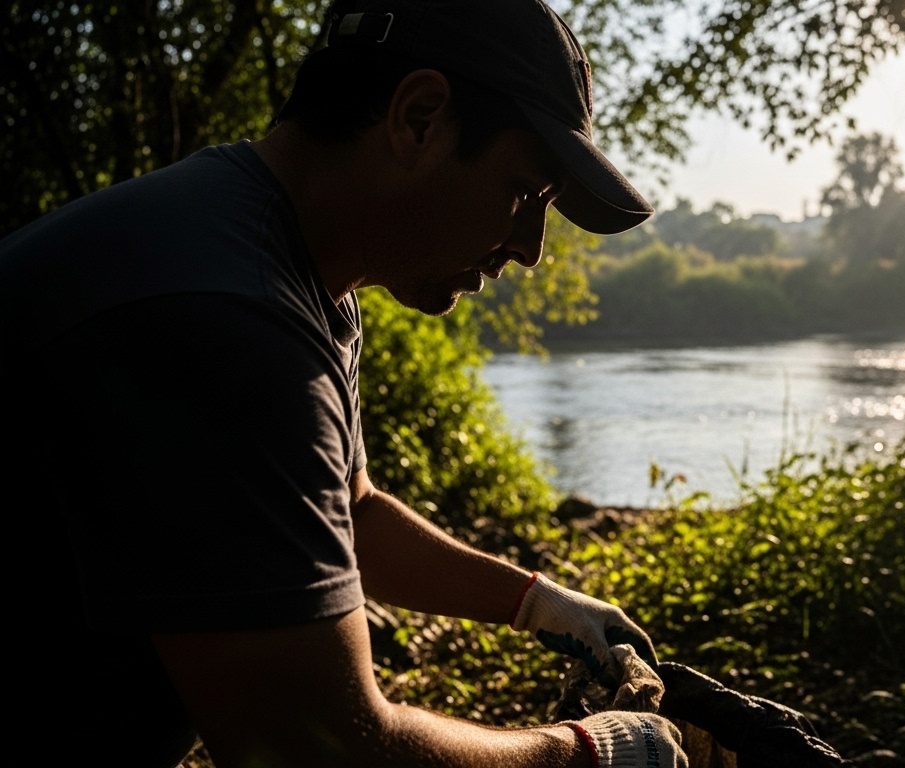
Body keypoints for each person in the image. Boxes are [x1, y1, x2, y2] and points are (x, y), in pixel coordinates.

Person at [0, 1, 687, 765]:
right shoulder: (225, 313)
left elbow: (344, 512)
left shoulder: (290, 266)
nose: (530, 249)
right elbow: (311, 746)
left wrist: (539, 605)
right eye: (526, 194)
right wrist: (590, 755)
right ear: (419, 118)